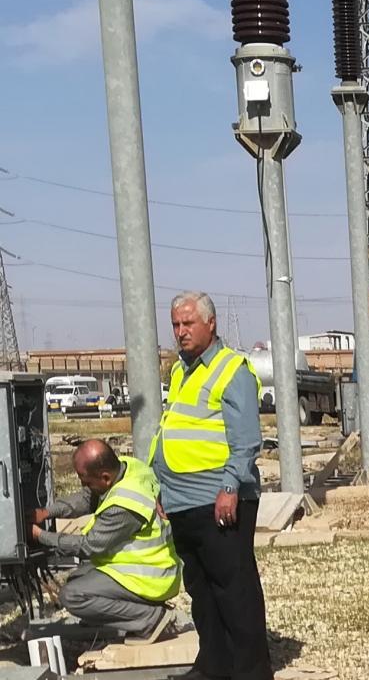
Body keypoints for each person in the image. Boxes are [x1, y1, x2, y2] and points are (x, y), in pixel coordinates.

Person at [151, 291, 272, 680]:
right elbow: (176, 429)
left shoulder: (231, 369)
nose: (180, 331)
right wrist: (163, 488)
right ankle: (213, 667)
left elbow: (246, 440)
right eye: (175, 324)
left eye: (188, 323)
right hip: (182, 500)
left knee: (235, 592)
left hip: (218, 498)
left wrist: (230, 487)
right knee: (201, 592)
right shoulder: (180, 371)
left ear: (211, 323)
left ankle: (251, 672)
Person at [29, 439, 180, 643]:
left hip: (152, 577)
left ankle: (151, 619)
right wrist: (47, 512)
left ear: (105, 478)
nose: (84, 485)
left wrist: (41, 536)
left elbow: (89, 546)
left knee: (72, 595)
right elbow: (86, 498)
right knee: (78, 578)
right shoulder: (129, 468)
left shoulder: (123, 506)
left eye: (86, 481)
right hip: (151, 566)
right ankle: (115, 616)